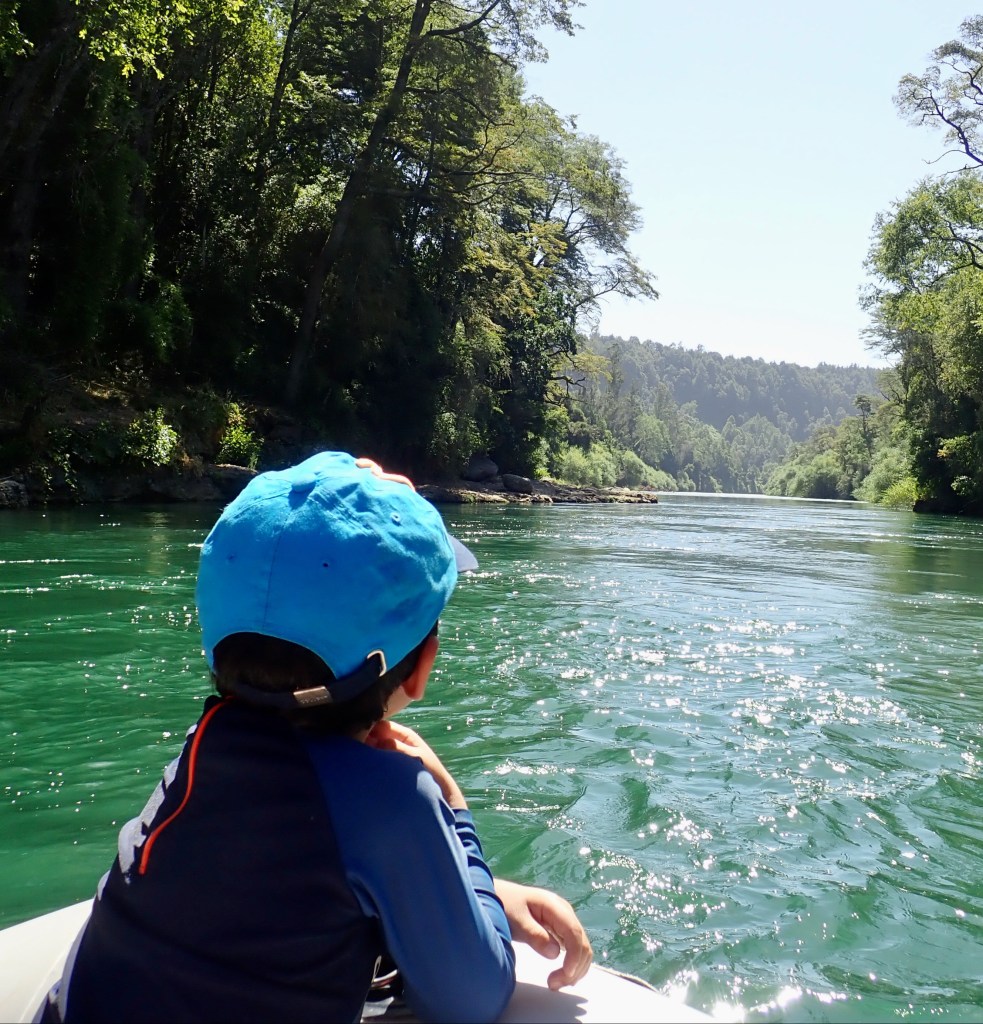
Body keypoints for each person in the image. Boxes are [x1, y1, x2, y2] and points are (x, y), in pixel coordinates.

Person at [40, 451, 591, 1023]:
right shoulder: (392, 799)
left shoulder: (204, 744)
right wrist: (454, 814)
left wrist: (485, 892)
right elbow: (472, 997)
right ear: (423, 666)